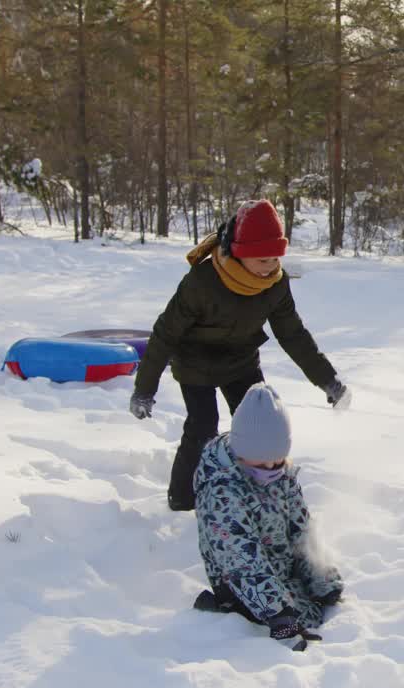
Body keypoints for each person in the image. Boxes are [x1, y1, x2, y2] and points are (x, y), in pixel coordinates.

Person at [129, 199, 351, 511]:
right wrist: (144, 389)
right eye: (262, 259)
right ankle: (182, 499)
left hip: (241, 360)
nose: (271, 266)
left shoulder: (275, 284)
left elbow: (293, 334)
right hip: (195, 361)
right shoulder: (203, 281)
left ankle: (260, 495)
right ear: (240, 253)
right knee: (203, 426)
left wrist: (327, 380)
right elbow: (166, 333)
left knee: (263, 425)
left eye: (276, 257)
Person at [190, 383, 344, 651]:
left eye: (278, 461)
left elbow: (301, 529)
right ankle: (228, 611)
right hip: (241, 585)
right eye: (262, 464)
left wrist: (322, 579)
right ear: (241, 453)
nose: (272, 469)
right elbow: (242, 562)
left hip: (279, 571)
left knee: (315, 612)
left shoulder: (280, 474)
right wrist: (279, 615)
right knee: (300, 621)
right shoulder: (222, 494)